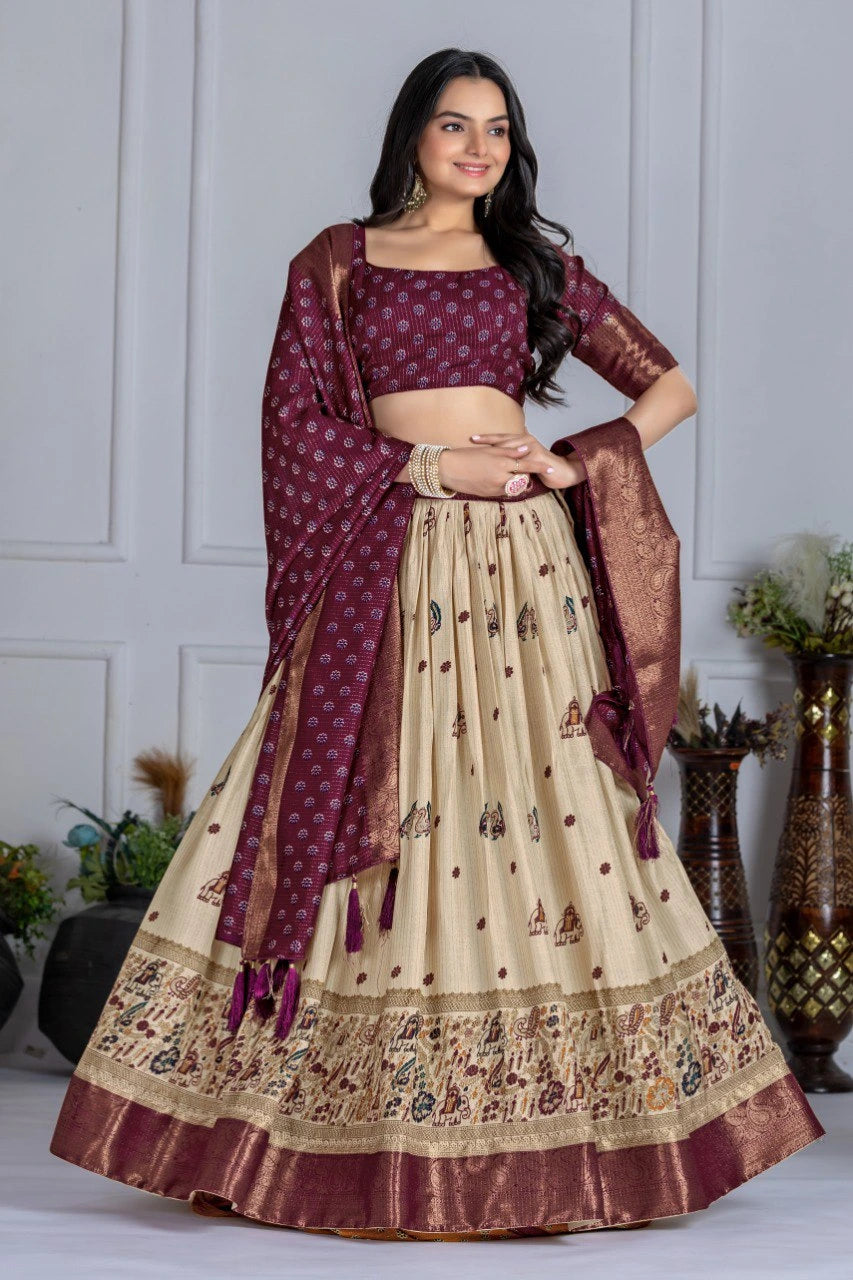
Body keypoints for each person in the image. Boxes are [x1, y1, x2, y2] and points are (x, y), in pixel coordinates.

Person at [49, 48, 825, 1240]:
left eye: (498, 131)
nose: (477, 148)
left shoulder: (533, 266)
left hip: (522, 569)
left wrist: (578, 458)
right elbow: (292, 424)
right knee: (396, 805)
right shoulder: (339, 262)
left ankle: (566, 1134)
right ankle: (318, 1127)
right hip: (394, 559)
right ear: (411, 133)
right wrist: (427, 464)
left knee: (542, 806)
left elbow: (666, 384)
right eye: (454, 125)